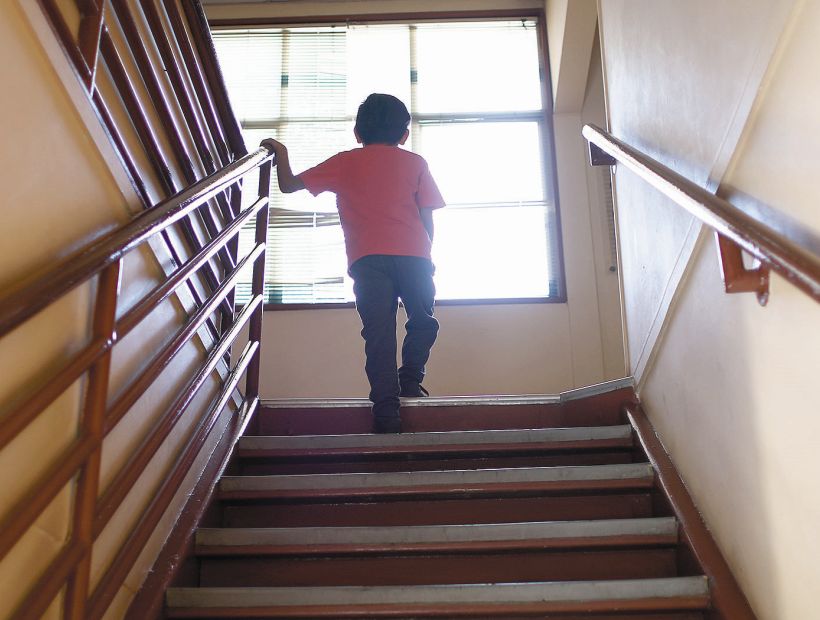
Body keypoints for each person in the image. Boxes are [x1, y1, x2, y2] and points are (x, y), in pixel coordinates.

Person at [263, 93, 446, 433]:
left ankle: (387, 413)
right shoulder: (415, 162)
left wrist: (281, 152)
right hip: (414, 257)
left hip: (368, 261)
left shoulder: (344, 161)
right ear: (404, 135)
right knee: (424, 321)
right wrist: (426, 252)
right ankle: (409, 379)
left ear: (357, 132)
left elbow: (288, 185)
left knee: (378, 335)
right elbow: (426, 215)